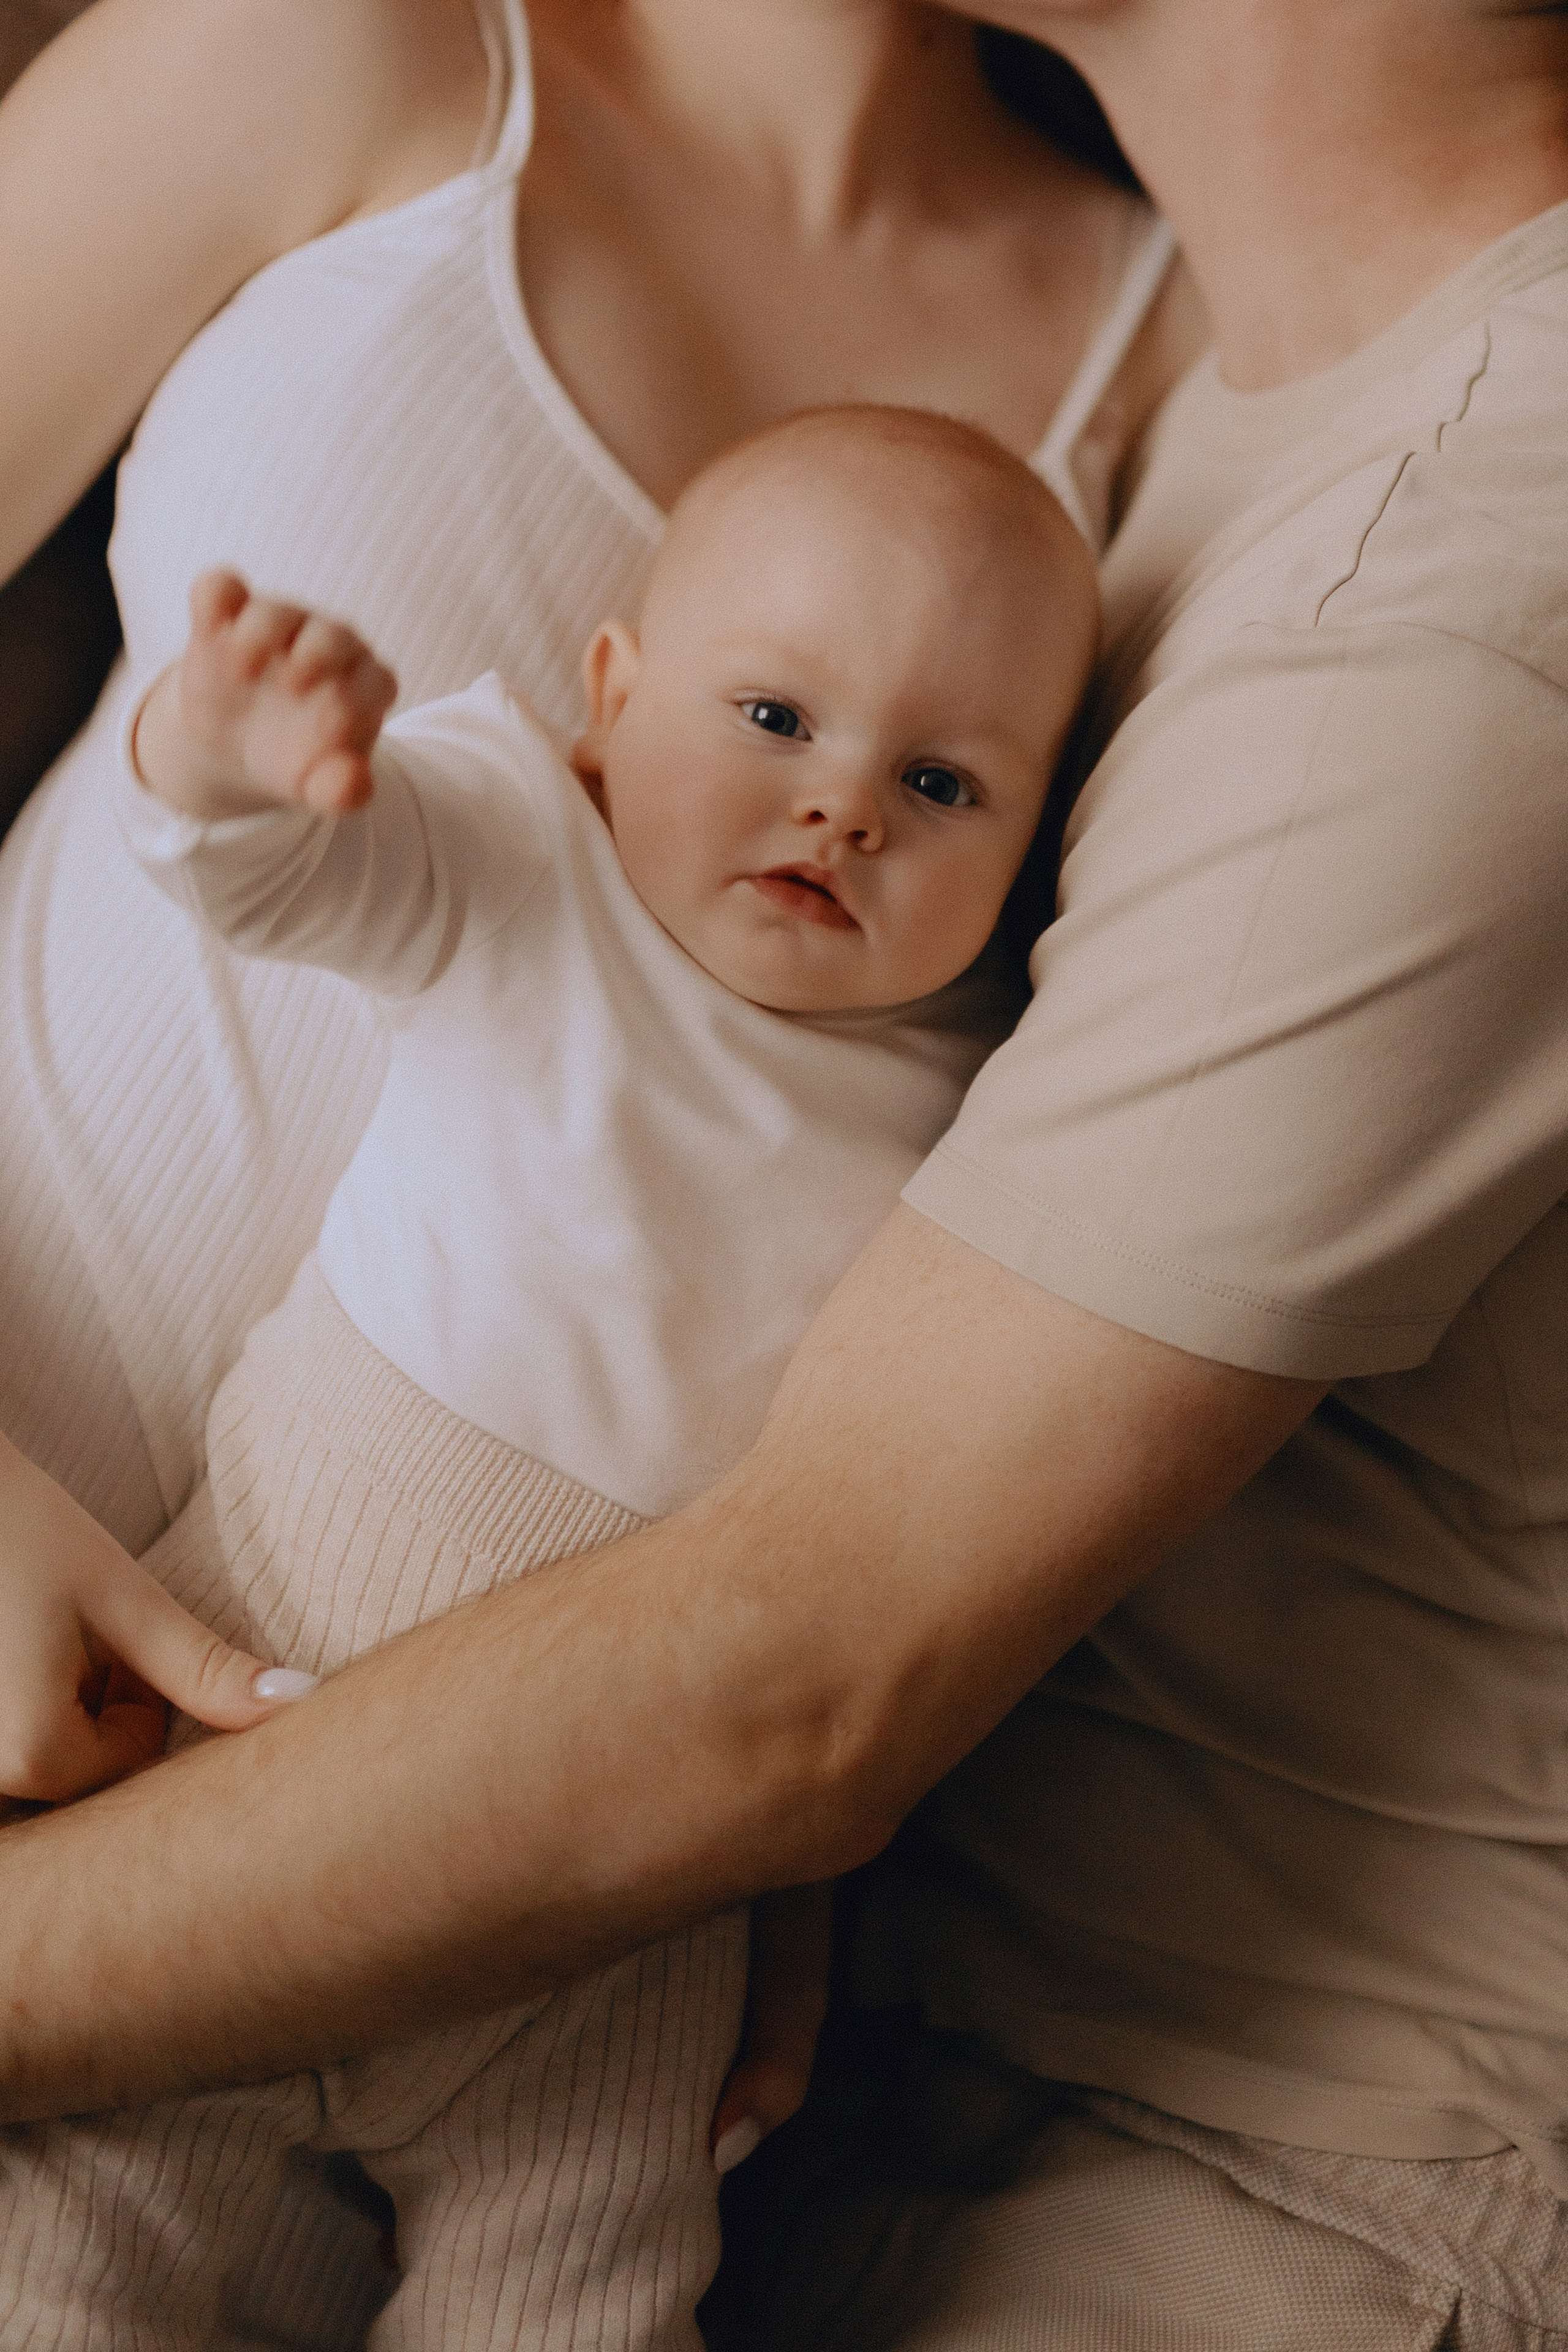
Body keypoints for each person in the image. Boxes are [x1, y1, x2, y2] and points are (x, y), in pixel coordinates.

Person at [11, 0, 1567, 2348]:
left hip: (473, 1865)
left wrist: (753, 1770)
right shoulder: (328, 43)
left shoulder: (1185, 379)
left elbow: (906, 1422)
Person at [0, 404, 1098, 2345]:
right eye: (775, 721)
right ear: (614, 695)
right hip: (257, 1750)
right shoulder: (531, 859)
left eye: (942, 783)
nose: (844, 808)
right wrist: (226, 752)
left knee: (584, 2292)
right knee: (69, 2245)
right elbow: (273, 883)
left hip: (617, 1913)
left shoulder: (980, 1120)